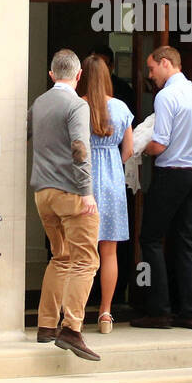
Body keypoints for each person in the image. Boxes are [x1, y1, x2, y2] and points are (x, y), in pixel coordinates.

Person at [29, 49, 102, 359]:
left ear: (51, 75)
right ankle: (72, 328)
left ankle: (46, 325)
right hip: (71, 192)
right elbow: (79, 147)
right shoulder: (76, 104)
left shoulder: (39, 103)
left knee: (61, 256)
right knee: (86, 260)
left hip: (42, 192)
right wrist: (87, 191)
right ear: (78, 75)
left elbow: (29, 135)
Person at [132, 46, 192, 330]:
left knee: (150, 239)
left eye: (152, 69)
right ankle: (190, 312)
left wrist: (140, 147)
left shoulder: (166, 96)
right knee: (185, 242)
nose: (151, 75)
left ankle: (158, 310)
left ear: (166, 63)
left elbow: (160, 142)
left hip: (171, 173)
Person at [77, 53, 133, 334]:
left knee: (79, 251)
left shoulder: (78, 107)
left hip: (84, 180)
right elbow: (129, 150)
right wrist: (112, 161)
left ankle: (73, 311)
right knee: (108, 252)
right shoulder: (121, 108)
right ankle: (106, 313)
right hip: (111, 179)